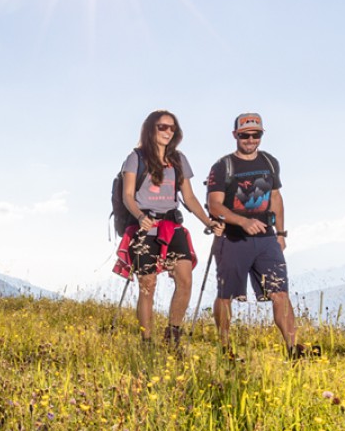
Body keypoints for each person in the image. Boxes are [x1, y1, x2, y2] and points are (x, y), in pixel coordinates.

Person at [205, 112, 308, 358]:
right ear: (235, 135)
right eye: (245, 135)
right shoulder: (222, 166)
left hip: (266, 239)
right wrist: (243, 221)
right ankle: (226, 349)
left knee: (280, 292)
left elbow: (275, 197)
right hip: (232, 238)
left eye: (256, 135)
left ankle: (294, 350)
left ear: (262, 135)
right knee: (226, 294)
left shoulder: (270, 162)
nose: (250, 140)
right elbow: (214, 205)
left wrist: (281, 234)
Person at [119, 110, 220, 344]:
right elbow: (127, 195)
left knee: (185, 279)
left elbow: (190, 198)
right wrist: (139, 216)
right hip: (144, 227)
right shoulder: (135, 158)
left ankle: (172, 337)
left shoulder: (178, 159)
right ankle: (146, 341)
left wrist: (208, 221)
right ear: (150, 129)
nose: (167, 132)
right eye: (162, 127)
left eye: (171, 128)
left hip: (172, 226)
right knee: (148, 285)